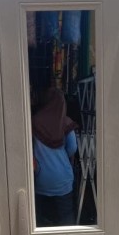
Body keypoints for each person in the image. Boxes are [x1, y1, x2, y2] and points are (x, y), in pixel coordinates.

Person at [31, 87, 78, 226]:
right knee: (66, 218)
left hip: (41, 179)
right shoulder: (66, 122)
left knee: (41, 221)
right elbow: (73, 148)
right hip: (63, 179)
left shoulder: (33, 122)